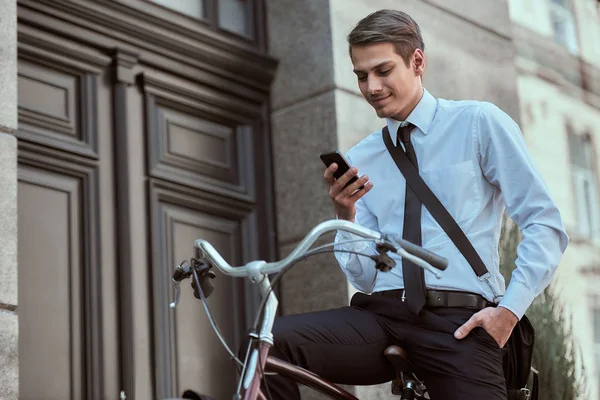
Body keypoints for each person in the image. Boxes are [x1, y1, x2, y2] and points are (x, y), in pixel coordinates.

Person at [258, 9, 568, 399]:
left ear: (417, 61)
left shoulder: (478, 123)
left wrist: (508, 311)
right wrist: (345, 215)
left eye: (383, 70)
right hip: (381, 316)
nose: (371, 86)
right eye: (361, 75)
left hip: (459, 322)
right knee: (265, 345)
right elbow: (365, 278)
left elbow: (546, 225)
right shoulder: (362, 157)